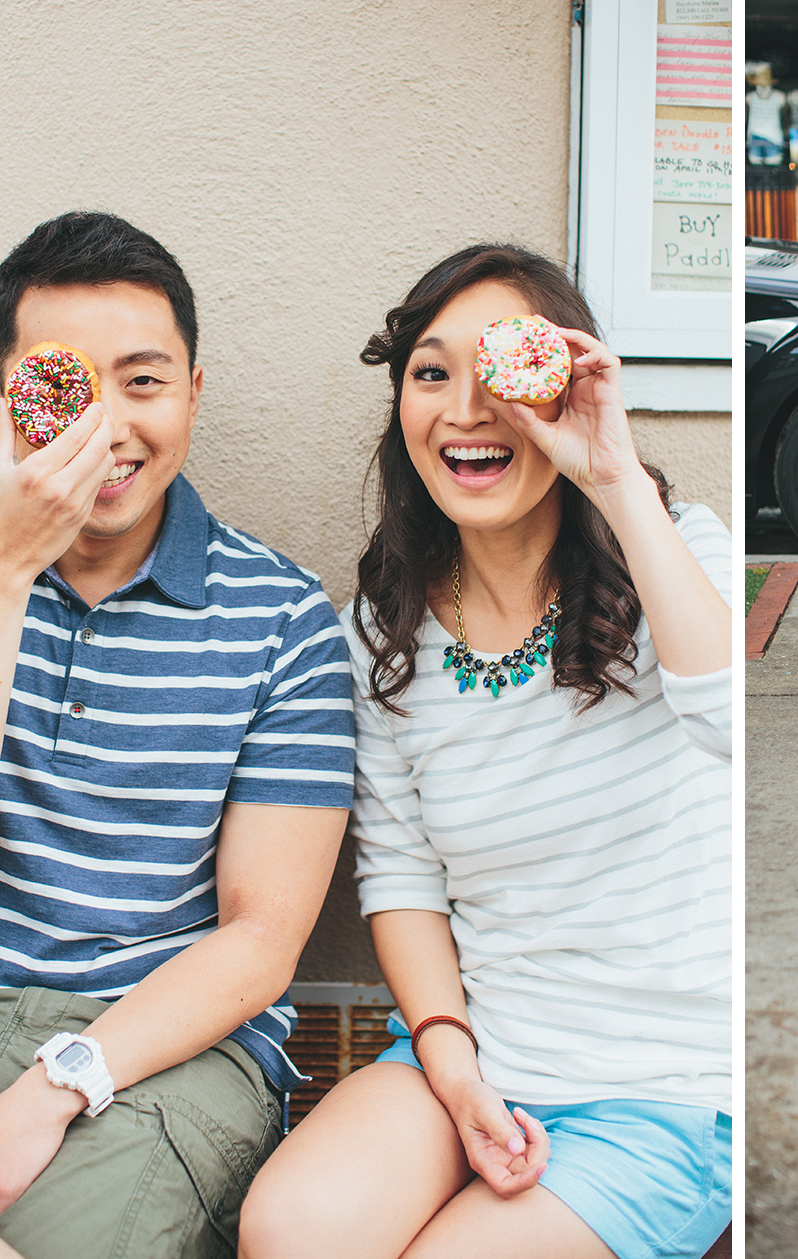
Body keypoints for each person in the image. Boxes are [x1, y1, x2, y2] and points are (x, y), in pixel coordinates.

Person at [0, 212, 356, 1254]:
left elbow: (261, 941)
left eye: (144, 382)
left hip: (167, 1047)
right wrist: (0, 570)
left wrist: (56, 1086)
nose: (108, 426)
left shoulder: (282, 614)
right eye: (61, 386)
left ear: (194, 393)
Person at [238, 245, 733, 1259]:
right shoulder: (380, 633)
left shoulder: (677, 546)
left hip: (669, 1090)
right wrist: (454, 1066)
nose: (465, 408)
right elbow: (403, 875)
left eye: (500, 373)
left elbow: (732, 722)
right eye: (431, 371)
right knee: (289, 1231)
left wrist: (612, 474)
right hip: (470, 1062)